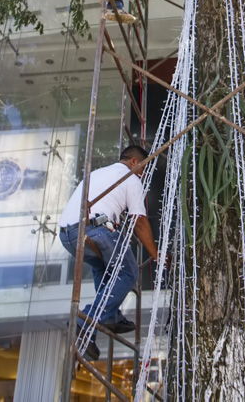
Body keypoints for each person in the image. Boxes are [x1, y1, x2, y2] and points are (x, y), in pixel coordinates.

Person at [59, 145, 159, 360]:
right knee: (128, 272)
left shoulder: (99, 173)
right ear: (134, 162)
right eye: (143, 169)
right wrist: (156, 254)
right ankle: (85, 320)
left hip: (67, 234)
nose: (143, 175)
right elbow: (138, 222)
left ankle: (109, 316)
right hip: (93, 228)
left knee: (106, 269)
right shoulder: (130, 178)